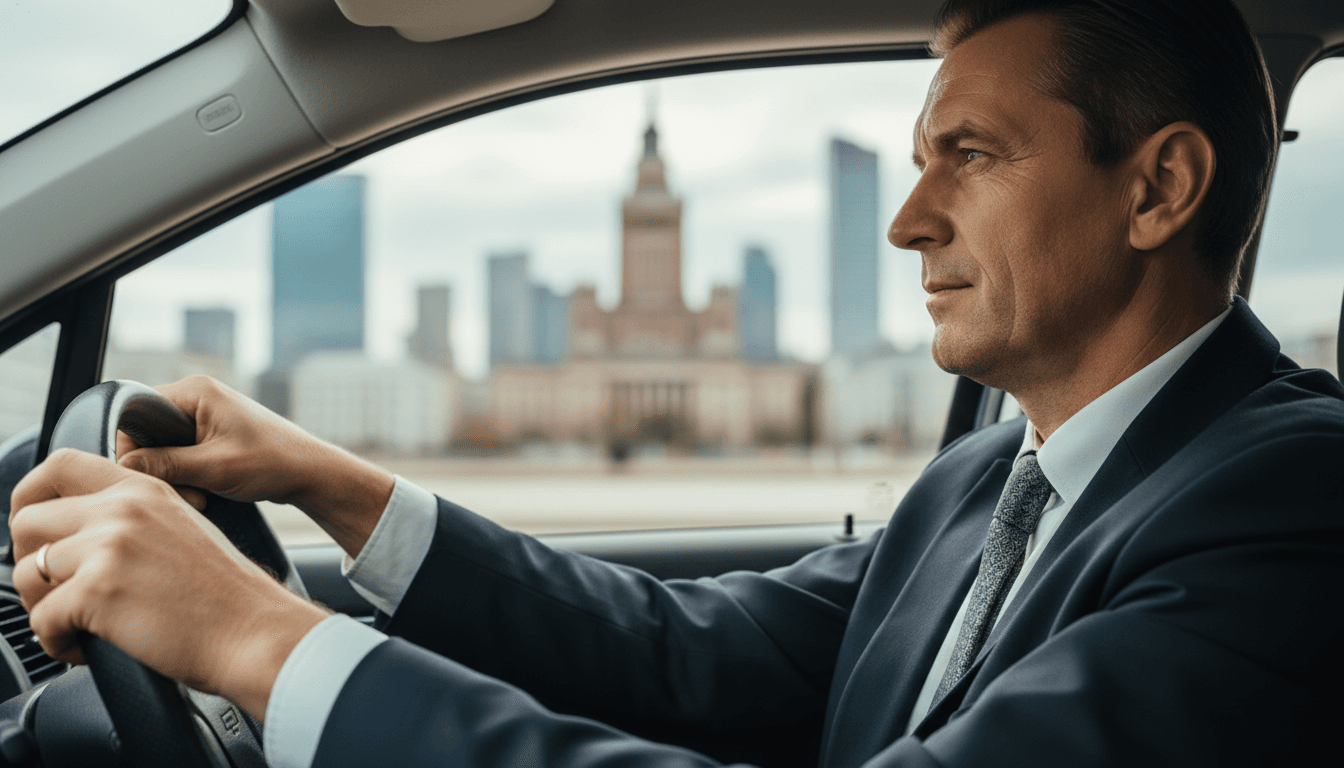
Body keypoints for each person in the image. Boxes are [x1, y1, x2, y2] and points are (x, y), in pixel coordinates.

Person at [10, 0, 1344, 765]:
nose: (907, 221)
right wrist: (332, 486)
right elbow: (681, 650)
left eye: (972, 155)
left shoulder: (1293, 506)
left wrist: (261, 641)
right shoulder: (991, 474)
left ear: (1158, 188)